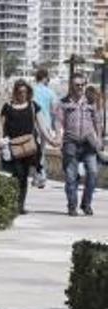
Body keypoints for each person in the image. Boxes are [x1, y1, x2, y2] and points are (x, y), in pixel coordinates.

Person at [0, 79, 58, 214]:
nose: (22, 95)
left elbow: (42, 126)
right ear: (15, 92)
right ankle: (13, 202)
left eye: (25, 92)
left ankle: (19, 206)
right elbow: (0, 125)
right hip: (12, 147)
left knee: (23, 176)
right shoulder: (7, 107)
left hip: (29, 148)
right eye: (19, 92)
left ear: (28, 92)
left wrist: (51, 140)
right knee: (16, 174)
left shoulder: (33, 106)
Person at [55, 73, 102, 217]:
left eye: (82, 84)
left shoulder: (91, 102)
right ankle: (72, 206)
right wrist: (58, 137)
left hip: (89, 143)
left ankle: (86, 203)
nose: (80, 87)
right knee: (71, 177)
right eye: (77, 85)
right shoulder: (63, 102)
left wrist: (99, 138)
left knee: (93, 173)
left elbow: (97, 121)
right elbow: (58, 122)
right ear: (71, 85)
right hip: (71, 142)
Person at [32, 68, 58, 188]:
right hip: (45, 125)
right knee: (41, 151)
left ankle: (36, 176)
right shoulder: (50, 92)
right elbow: (54, 110)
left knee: (32, 151)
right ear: (45, 78)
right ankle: (40, 176)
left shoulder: (31, 90)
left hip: (31, 124)